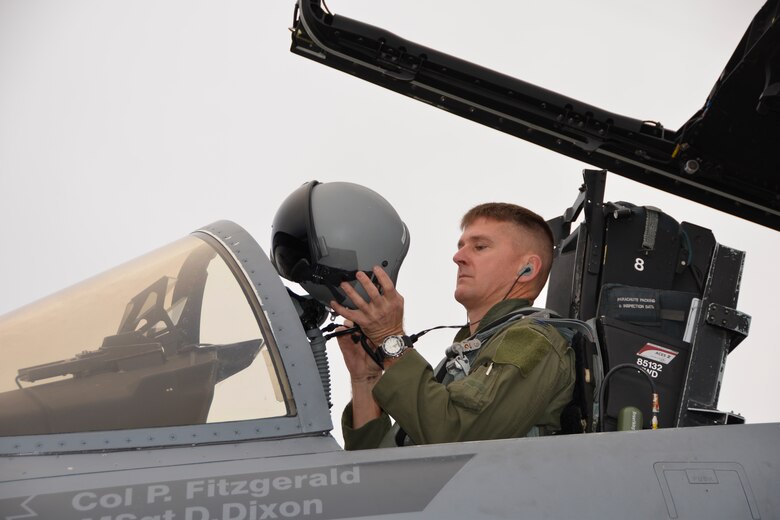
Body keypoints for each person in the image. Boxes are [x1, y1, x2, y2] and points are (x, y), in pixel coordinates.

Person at [331, 203, 575, 450]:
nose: (458, 258)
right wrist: (366, 379)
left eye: (480, 247)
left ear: (528, 269)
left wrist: (390, 340)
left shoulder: (530, 340)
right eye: (461, 247)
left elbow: (457, 441)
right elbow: (375, 472)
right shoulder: (470, 351)